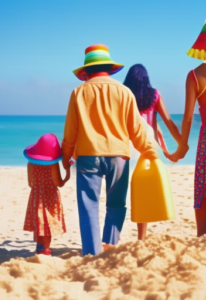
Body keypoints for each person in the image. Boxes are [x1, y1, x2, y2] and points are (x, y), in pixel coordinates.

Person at [62, 44, 158, 256]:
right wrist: (151, 153)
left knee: (89, 206)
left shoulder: (78, 92)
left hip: (88, 155)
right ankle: (110, 243)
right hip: (119, 156)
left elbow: (70, 132)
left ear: (86, 72)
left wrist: (66, 159)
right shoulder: (124, 92)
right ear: (110, 68)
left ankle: (91, 252)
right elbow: (136, 130)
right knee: (116, 204)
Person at [123, 64, 182, 241]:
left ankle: (135, 237)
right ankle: (142, 235)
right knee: (147, 187)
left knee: (135, 190)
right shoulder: (154, 95)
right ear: (147, 78)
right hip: (149, 146)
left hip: (128, 146)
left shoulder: (125, 94)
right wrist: (179, 145)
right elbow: (167, 122)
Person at [166, 20, 206, 237]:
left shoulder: (194, 76)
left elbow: (188, 117)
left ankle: (201, 235)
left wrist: (182, 146)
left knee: (202, 185)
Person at [23, 133, 70, 255]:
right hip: (50, 197)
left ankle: (39, 247)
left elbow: (30, 183)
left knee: (39, 222)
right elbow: (58, 183)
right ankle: (46, 249)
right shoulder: (53, 165)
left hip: (36, 195)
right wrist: (67, 176)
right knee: (47, 224)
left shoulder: (31, 164)